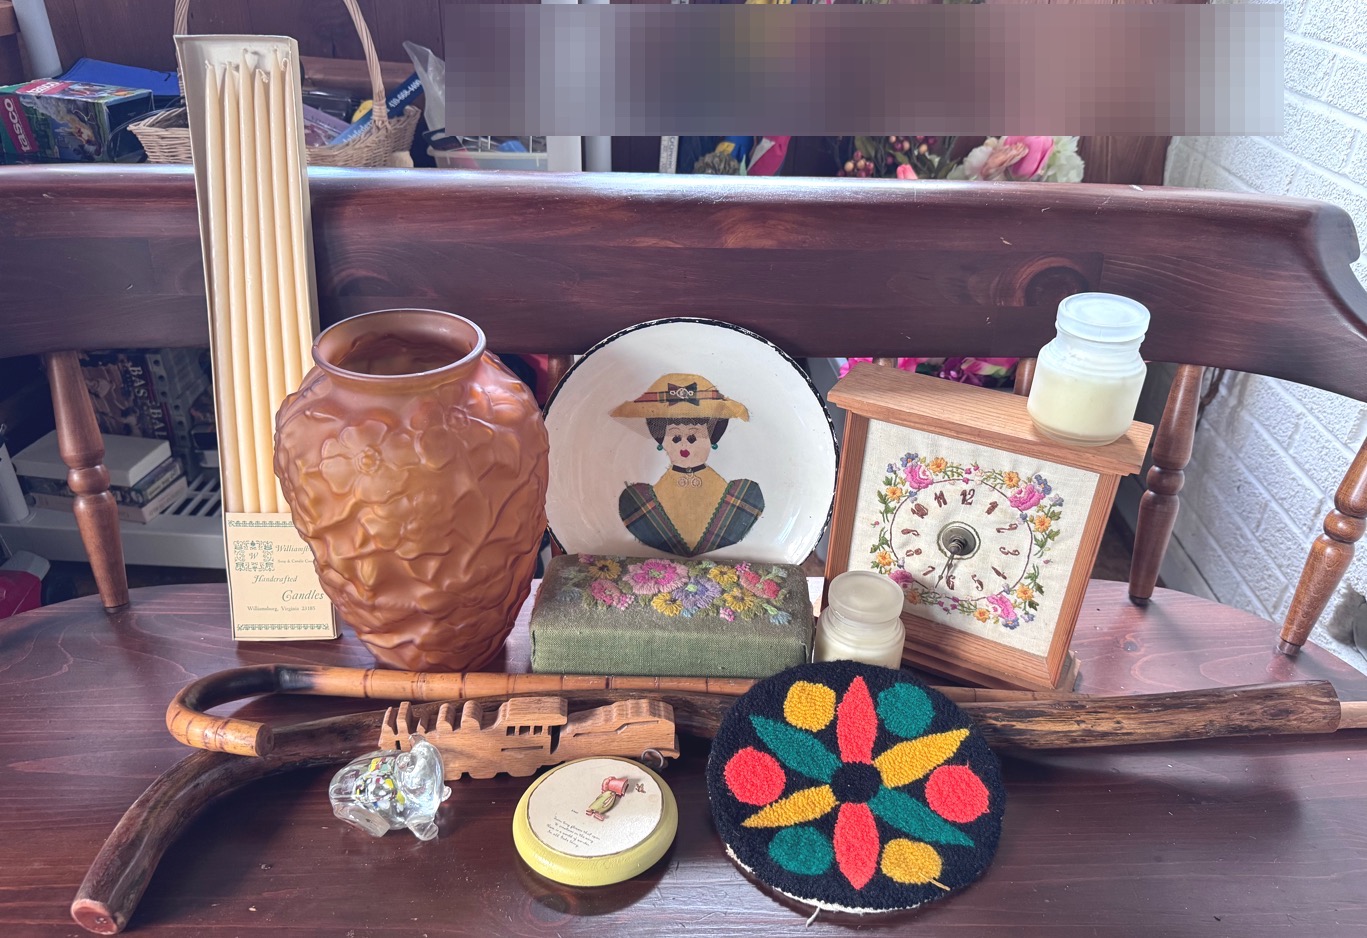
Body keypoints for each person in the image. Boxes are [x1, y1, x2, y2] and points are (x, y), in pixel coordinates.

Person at [612, 374, 765, 557]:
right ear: (661, 442)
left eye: (693, 437)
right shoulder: (642, 500)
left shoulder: (740, 495)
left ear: (712, 440)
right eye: (675, 438)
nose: (684, 444)